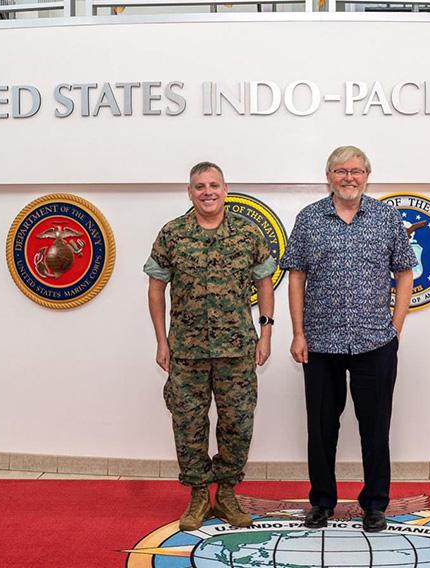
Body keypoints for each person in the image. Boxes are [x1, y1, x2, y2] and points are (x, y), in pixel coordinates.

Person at [281, 146, 416, 532]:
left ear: (367, 175)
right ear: (329, 176)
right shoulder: (309, 219)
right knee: (321, 428)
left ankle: (375, 504)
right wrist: (298, 332)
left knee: (376, 427)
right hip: (320, 344)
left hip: (375, 342)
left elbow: (404, 273)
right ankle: (321, 502)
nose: (349, 177)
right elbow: (296, 277)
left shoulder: (386, 218)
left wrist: (396, 325)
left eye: (356, 171)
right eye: (341, 171)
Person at [144, 161, 276, 531]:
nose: (207, 192)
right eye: (199, 186)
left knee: (237, 423)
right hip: (186, 351)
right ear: (190, 191)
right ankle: (200, 495)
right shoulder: (172, 234)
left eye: (213, 185)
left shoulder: (248, 234)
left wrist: (266, 333)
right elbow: (156, 288)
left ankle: (229, 493)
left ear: (225, 189)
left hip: (238, 350)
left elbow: (265, 284)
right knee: (188, 424)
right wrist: (161, 340)